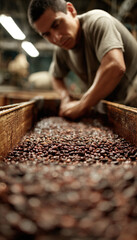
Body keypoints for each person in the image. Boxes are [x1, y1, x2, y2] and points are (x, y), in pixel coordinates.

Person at [28, 0, 137, 120]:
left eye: (57, 24)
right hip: (112, 106)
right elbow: (55, 76)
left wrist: (82, 105)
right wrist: (65, 98)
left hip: (132, 99)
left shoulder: (98, 21)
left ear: (71, 10)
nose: (56, 38)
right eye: (47, 34)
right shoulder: (62, 49)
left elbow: (115, 66)